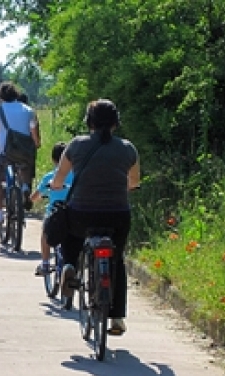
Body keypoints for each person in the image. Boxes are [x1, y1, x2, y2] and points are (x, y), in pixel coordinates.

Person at [50, 98, 140, 331]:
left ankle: (69, 265)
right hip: (117, 215)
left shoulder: (76, 145)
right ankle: (117, 317)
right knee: (116, 259)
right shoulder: (128, 148)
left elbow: (59, 178)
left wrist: (56, 187)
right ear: (115, 123)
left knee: (71, 235)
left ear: (89, 122)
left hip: (83, 214)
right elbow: (134, 181)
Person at [0, 81, 41, 226]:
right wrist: (36, 144)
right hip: (25, 153)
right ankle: (24, 188)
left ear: (1, 96)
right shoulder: (29, 110)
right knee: (25, 167)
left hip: (5, 153)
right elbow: (35, 134)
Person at [30, 142, 74, 276]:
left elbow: (34, 197)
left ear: (53, 159)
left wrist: (39, 197)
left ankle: (45, 263)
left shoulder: (50, 176)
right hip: (73, 211)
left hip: (55, 212)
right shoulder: (76, 175)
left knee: (45, 232)